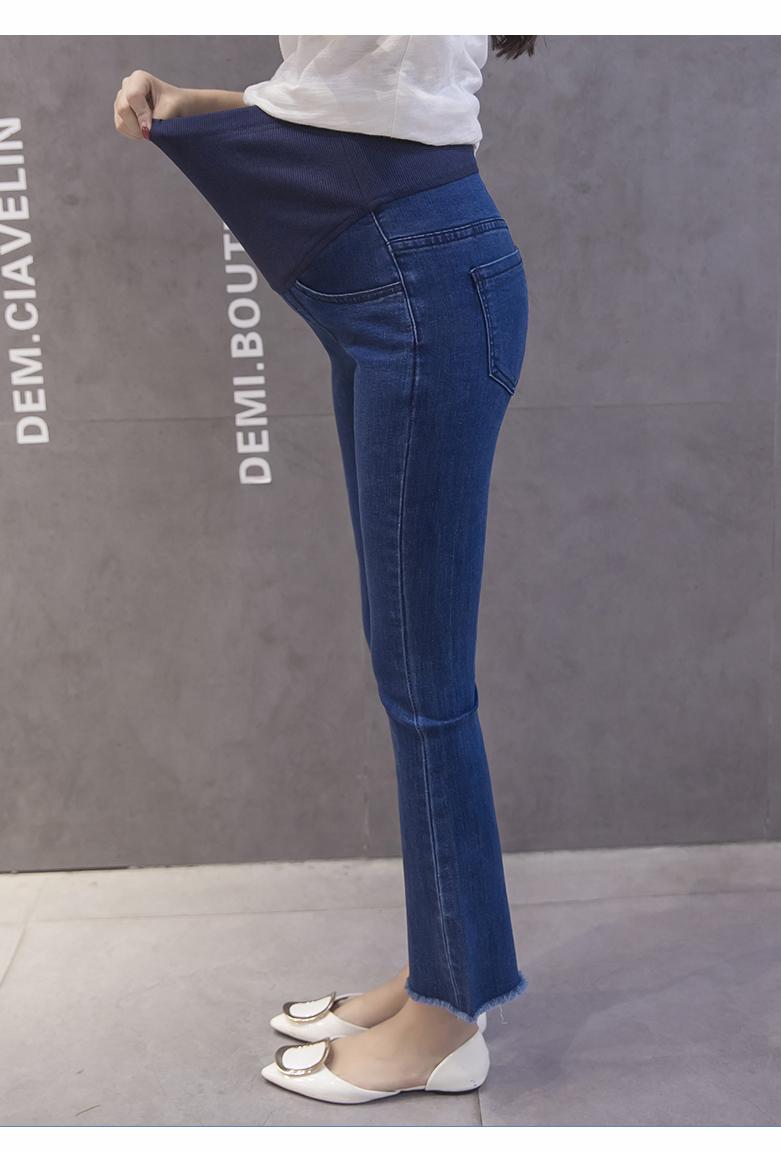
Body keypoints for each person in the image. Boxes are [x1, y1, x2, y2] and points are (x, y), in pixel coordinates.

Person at [114, 34, 535, 1106]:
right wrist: (206, 101)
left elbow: (381, 88)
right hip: (411, 285)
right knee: (409, 673)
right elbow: (354, 97)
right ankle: (442, 968)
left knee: (427, 686)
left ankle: (450, 1022)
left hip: (420, 291)